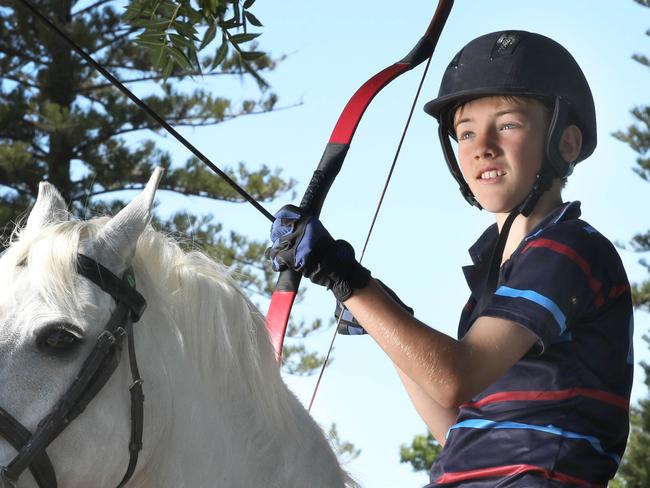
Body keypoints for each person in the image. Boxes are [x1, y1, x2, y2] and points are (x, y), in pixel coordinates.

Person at [267, 30, 633, 486]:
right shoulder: (499, 270)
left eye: (508, 124)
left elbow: (454, 377)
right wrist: (384, 317)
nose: (482, 145)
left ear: (567, 143)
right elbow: (458, 428)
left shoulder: (567, 250)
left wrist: (344, 277)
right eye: (465, 132)